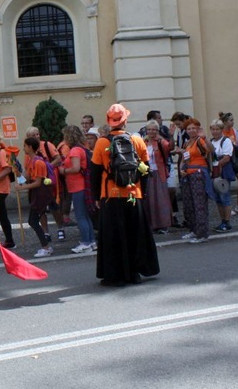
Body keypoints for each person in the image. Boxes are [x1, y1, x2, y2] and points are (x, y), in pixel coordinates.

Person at [90, 104, 160, 286]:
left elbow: (95, 173)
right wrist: (141, 192)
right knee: (134, 235)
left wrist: (97, 197)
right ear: (125, 121)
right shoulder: (137, 141)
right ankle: (134, 273)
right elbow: (145, 169)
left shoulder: (102, 142)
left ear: (109, 121)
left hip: (110, 195)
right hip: (132, 194)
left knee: (112, 237)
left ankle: (114, 275)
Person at [15, 137, 55, 258]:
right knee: (33, 221)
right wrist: (16, 172)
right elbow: (25, 178)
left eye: (25, 146)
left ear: (31, 147)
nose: (23, 148)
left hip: (40, 195)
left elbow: (38, 182)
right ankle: (46, 246)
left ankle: (46, 247)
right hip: (35, 195)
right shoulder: (31, 161)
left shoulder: (38, 162)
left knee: (33, 221)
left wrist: (22, 188)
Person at [25, 126, 65, 241]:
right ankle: (46, 232)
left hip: (48, 183)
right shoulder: (28, 154)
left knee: (54, 207)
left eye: (37, 134)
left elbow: (58, 159)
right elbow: (28, 170)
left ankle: (60, 228)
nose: (36, 136)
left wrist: (47, 168)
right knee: (41, 210)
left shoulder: (47, 145)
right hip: (37, 185)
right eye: (33, 135)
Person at [59, 125, 95, 253]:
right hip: (83, 186)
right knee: (86, 216)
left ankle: (86, 242)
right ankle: (91, 241)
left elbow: (75, 168)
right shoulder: (82, 148)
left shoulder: (74, 151)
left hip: (78, 187)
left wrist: (63, 170)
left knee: (80, 216)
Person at [179, 117, 215, 243]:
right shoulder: (187, 143)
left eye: (194, 128)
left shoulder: (201, 140)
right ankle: (194, 230)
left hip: (199, 175)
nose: (191, 130)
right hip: (188, 175)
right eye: (189, 128)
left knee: (199, 204)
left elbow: (211, 150)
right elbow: (184, 158)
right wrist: (181, 170)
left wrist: (204, 137)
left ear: (198, 129)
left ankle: (202, 234)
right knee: (189, 204)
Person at [142, 120, 173, 233]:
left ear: (157, 130)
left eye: (154, 129)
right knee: (148, 200)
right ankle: (150, 224)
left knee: (161, 199)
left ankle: (163, 225)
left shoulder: (161, 141)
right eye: (149, 129)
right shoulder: (143, 142)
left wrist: (171, 136)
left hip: (159, 173)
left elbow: (170, 148)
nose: (151, 131)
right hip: (146, 173)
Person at [218, 112, 238, 214]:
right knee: (227, 183)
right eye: (230, 120)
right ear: (224, 122)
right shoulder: (221, 133)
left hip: (236, 158)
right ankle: (227, 206)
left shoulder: (235, 131)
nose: (233, 122)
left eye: (233, 120)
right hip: (226, 159)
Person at [209, 119, 234, 232]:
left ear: (221, 130)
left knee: (225, 197)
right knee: (218, 198)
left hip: (222, 171)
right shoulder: (211, 141)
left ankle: (227, 221)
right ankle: (222, 220)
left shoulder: (226, 141)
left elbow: (226, 157)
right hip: (214, 173)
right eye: (213, 129)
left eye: (217, 129)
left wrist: (217, 166)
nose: (215, 131)